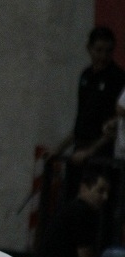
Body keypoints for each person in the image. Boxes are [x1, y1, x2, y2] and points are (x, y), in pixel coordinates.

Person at [48, 26, 125, 199]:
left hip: (103, 154)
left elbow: (116, 124)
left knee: (95, 205)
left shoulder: (117, 78)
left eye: (108, 51)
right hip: (80, 150)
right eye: (98, 50)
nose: (103, 56)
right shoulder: (86, 76)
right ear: (89, 49)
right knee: (71, 200)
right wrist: (60, 148)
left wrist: (90, 151)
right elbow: (81, 119)